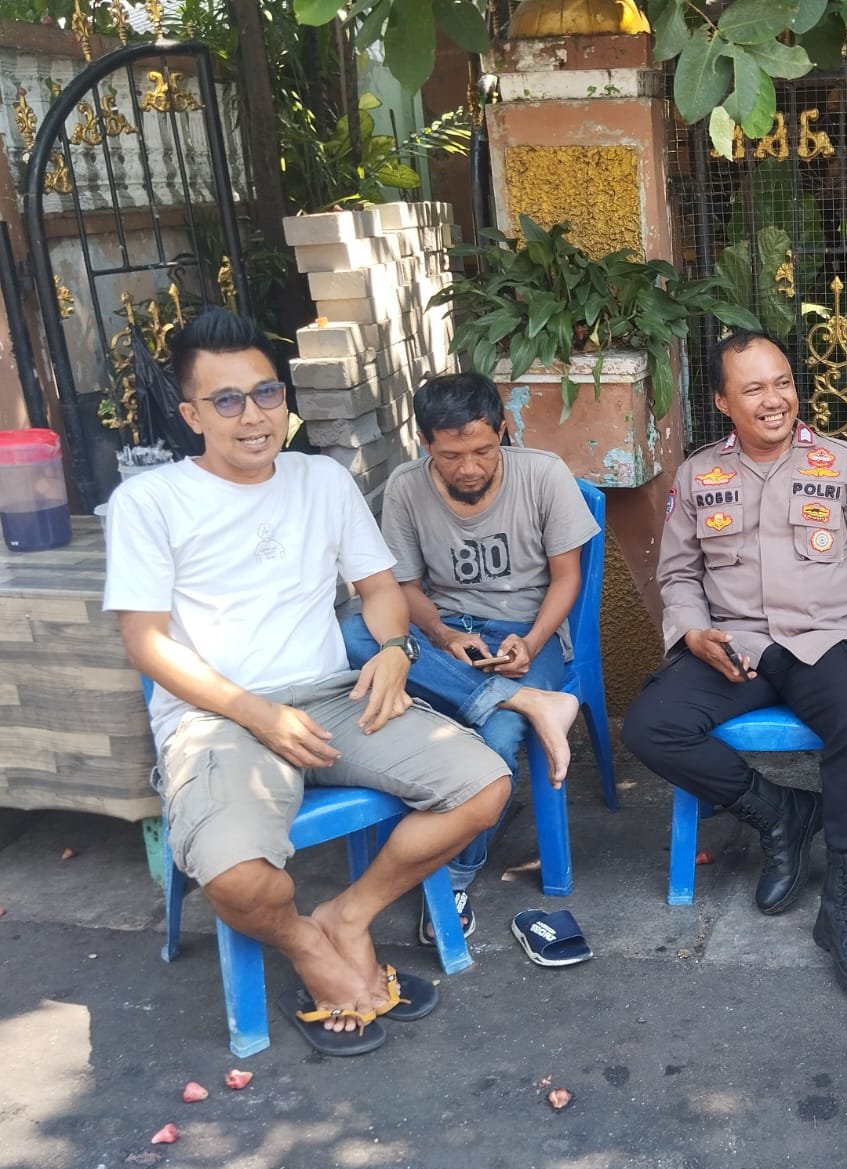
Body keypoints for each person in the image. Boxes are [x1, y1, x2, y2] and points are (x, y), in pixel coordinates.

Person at [105, 308, 515, 1057]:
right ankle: (305, 944)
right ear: (192, 414)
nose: (253, 416)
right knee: (236, 878)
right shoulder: (150, 502)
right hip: (216, 715)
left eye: (266, 393)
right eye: (227, 400)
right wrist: (255, 714)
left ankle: (348, 916)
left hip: (332, 695)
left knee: (483, 785)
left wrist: (393, 648)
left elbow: (379, 588)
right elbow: (145, 642)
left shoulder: (320, 478)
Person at [622, 331, 847, 996]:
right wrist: (694, 633)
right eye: (753, 388)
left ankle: (842, 907)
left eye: (782, 382)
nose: (774, 399)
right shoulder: (697, 476)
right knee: (650, 726)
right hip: (736, 646)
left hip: (825, 641)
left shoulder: (846, 465)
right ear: (724, 402)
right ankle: (779, 812)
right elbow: (678, 575)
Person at [341, 373, 590, 948]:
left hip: (525, 635)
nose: (470, 467)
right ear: (424, 442)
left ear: (502, 428)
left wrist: (531, 642)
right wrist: (442, 633)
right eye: (451, 456)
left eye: (482, 449)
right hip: (443, 633)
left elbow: (566, 578)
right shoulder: (406, 487)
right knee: (354, 631)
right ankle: (521, 700)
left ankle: (454, 875)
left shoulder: (544, 474)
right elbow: (402, 587)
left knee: (496, 736)